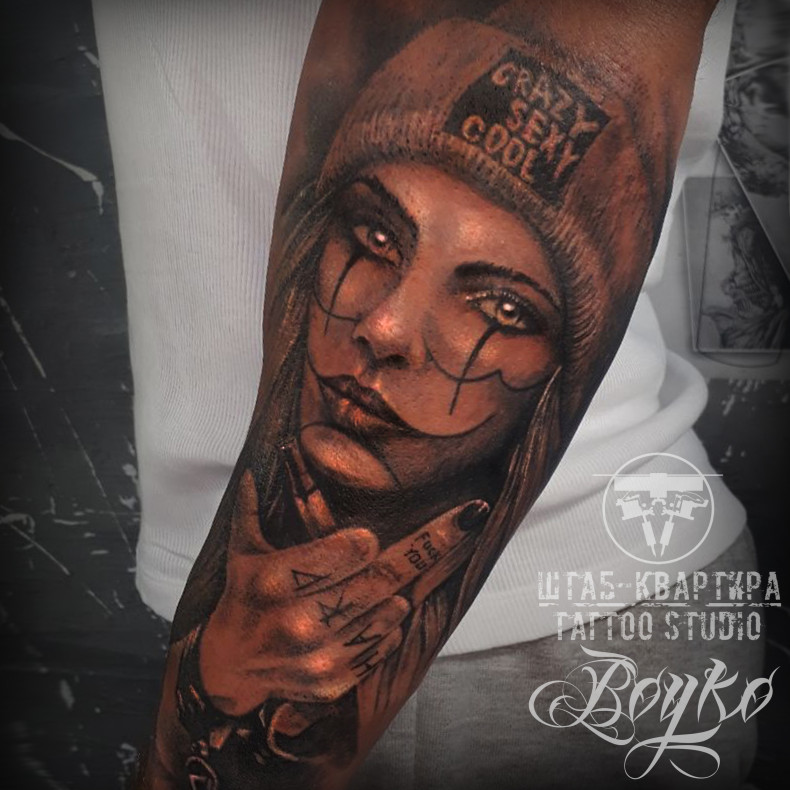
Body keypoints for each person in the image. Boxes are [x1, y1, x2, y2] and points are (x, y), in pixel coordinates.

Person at [92, 1, 759, 787]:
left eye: (500, 308)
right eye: (377, 237)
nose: (385, 327)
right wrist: (220, 672)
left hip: (534, 654)